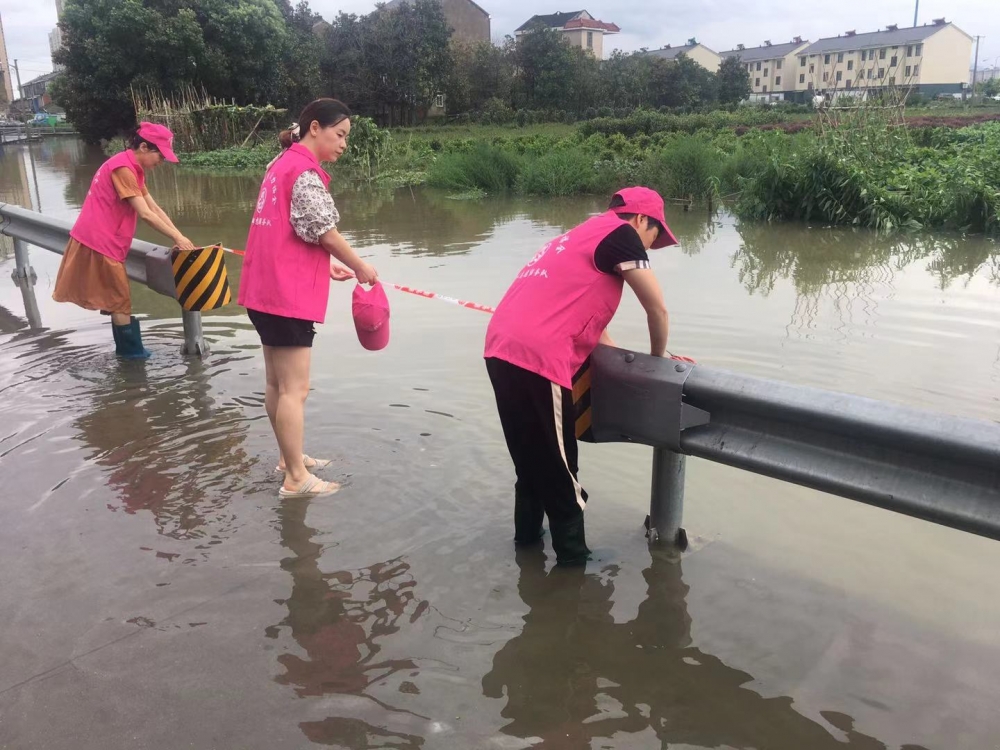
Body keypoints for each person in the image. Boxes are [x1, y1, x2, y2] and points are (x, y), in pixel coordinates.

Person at [484, 187, 678, 566]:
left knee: (531, 461)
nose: (651, 247)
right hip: (538, 358)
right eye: (655, 236)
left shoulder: (579, 234)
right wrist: (658, 362)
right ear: (641, 219)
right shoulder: (623, 236)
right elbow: (658, 310)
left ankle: (527, 550)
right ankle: (574, 566)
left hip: (499, 347)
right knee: (560, 470)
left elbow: (586, 319)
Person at [238, 98, 378, 500]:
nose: (344, 144)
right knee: (294, 389)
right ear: (314, 128)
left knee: (276, 383)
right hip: (284, 295)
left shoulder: (279, 165)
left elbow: (289, 229)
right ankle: (297, 478)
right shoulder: (304, 172)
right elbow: (324, 232)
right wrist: (360, 265)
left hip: (262, 288)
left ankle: (289, 458)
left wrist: (324, 265)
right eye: (340, 135)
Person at [53, 122, 196, 358]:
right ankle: (133, 359)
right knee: (119, 302)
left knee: (116, 301)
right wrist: (177, 237)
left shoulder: (133, 168)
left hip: (107, 240)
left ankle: (128, 355)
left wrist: (181, 236)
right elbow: (146, 214)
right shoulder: (124, 169)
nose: (161, 162)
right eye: (160, 156)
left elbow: (155, 207)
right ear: (143, 147)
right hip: (100, 242)